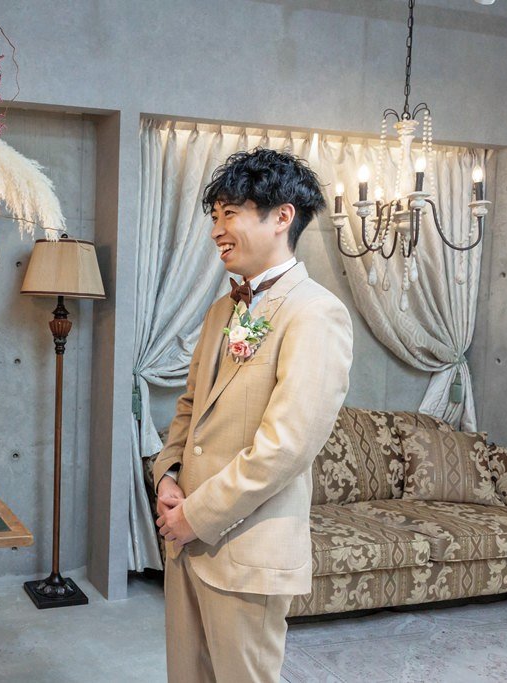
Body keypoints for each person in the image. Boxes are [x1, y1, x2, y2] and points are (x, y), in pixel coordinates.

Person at [153, 148, 353, 682]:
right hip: (186, 542)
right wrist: (169, 475)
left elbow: (286, 447)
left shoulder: (316, 313)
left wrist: (196, 515)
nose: (217, 230)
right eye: (214, 216)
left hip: (246, 548)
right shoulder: (223, 309)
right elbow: (190, 407)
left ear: (282, 216)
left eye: (230, 213)